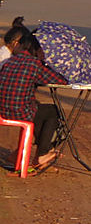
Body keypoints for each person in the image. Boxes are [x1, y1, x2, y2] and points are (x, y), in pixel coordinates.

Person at [0, 32, 67, 172]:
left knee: (39, 110)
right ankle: (42, 154)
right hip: (18, 112)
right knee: (53, 112)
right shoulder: (34, 64)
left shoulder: (11, 60)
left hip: (2, 109)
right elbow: (61, 80)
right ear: (38, 50)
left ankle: (20, 153)